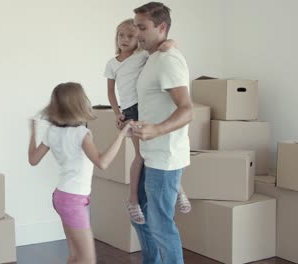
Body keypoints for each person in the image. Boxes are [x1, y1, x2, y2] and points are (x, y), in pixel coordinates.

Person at [28, 82, 132, 264]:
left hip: (61, 196)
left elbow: (33, 160)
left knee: (76, 257)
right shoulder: (81, 133)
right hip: (73, 200)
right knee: (88, 260)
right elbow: (102, 162)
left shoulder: (51, 131)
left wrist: (33, 132)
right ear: (79, 104)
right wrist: (122, 135)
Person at [104, 18, 191, 225]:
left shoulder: (142, 55)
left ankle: (178, 189)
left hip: (147, 106)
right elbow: (110, 92)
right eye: (121, 35)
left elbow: (167, 46)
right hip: (131, 110)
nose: (125, 39)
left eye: (131, 35)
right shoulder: (112, 63)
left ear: (138, 39)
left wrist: (172, 43)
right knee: (141, 155)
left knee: (160, 152)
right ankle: (133, 200)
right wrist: (118, 113)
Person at [129, 2, 194, 264]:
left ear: (162, 27)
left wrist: (157, 129)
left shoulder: (168, 60)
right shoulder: (154, 56)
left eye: (142, 28)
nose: (137, 34)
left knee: (161, 227)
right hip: (149, 154)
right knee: (140, 218)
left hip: (165, 160)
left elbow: (187, 110)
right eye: (136, 27)